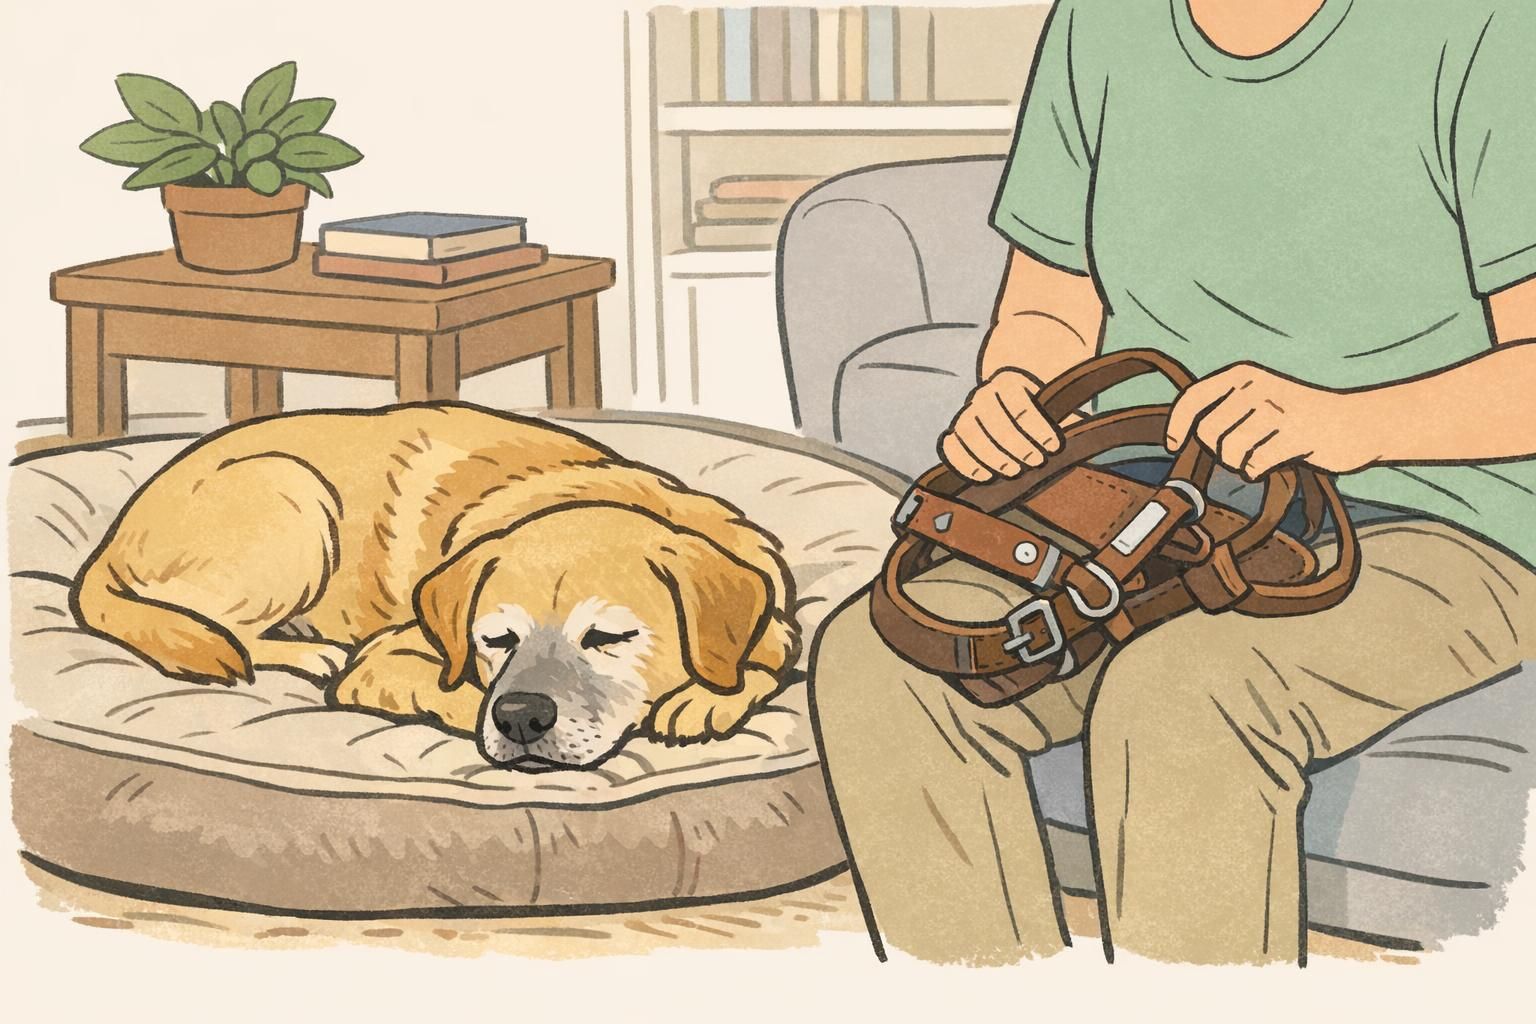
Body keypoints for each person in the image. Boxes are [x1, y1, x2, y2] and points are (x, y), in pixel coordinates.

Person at [810, 0, 1536, 965]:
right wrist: (1013, 389)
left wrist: (1345, 422)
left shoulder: (1485, 28)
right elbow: (1050, 302)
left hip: (1447, 516)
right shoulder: (1100, 23)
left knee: (1187, 694)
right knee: (881, 661)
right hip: (1153, 502)